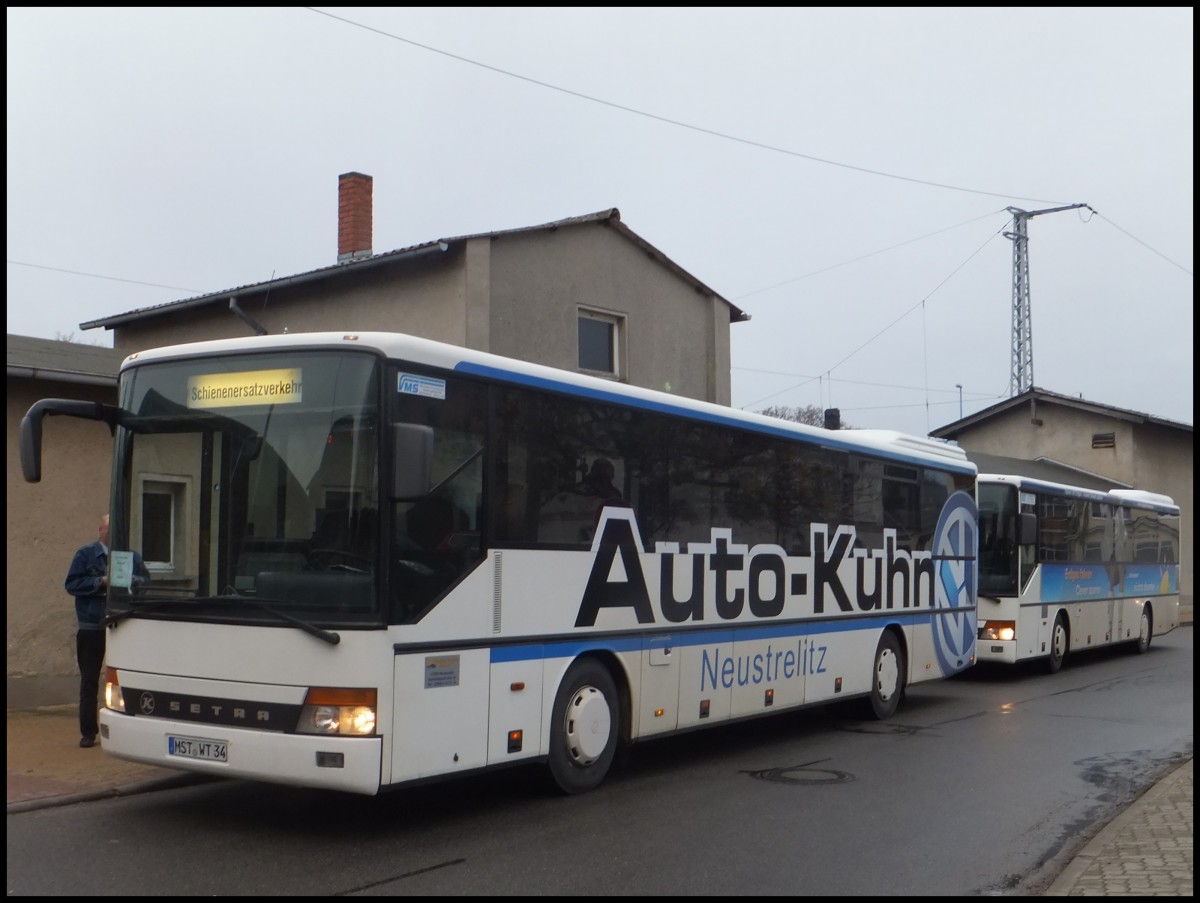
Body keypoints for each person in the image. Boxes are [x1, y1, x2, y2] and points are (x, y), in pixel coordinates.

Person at [64, 514, 148, 748]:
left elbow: (146, 582)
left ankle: (132, 727)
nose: (112, 534)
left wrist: (130, 580)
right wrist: (100, 581)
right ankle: (89, 732)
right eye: (109, 530)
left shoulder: (131, 556)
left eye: (117, 530)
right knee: (90, 679)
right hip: (92, 625)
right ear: (100, 530)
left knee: (127, 677)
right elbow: (71, 584)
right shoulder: (85, 555)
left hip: (121, 625)